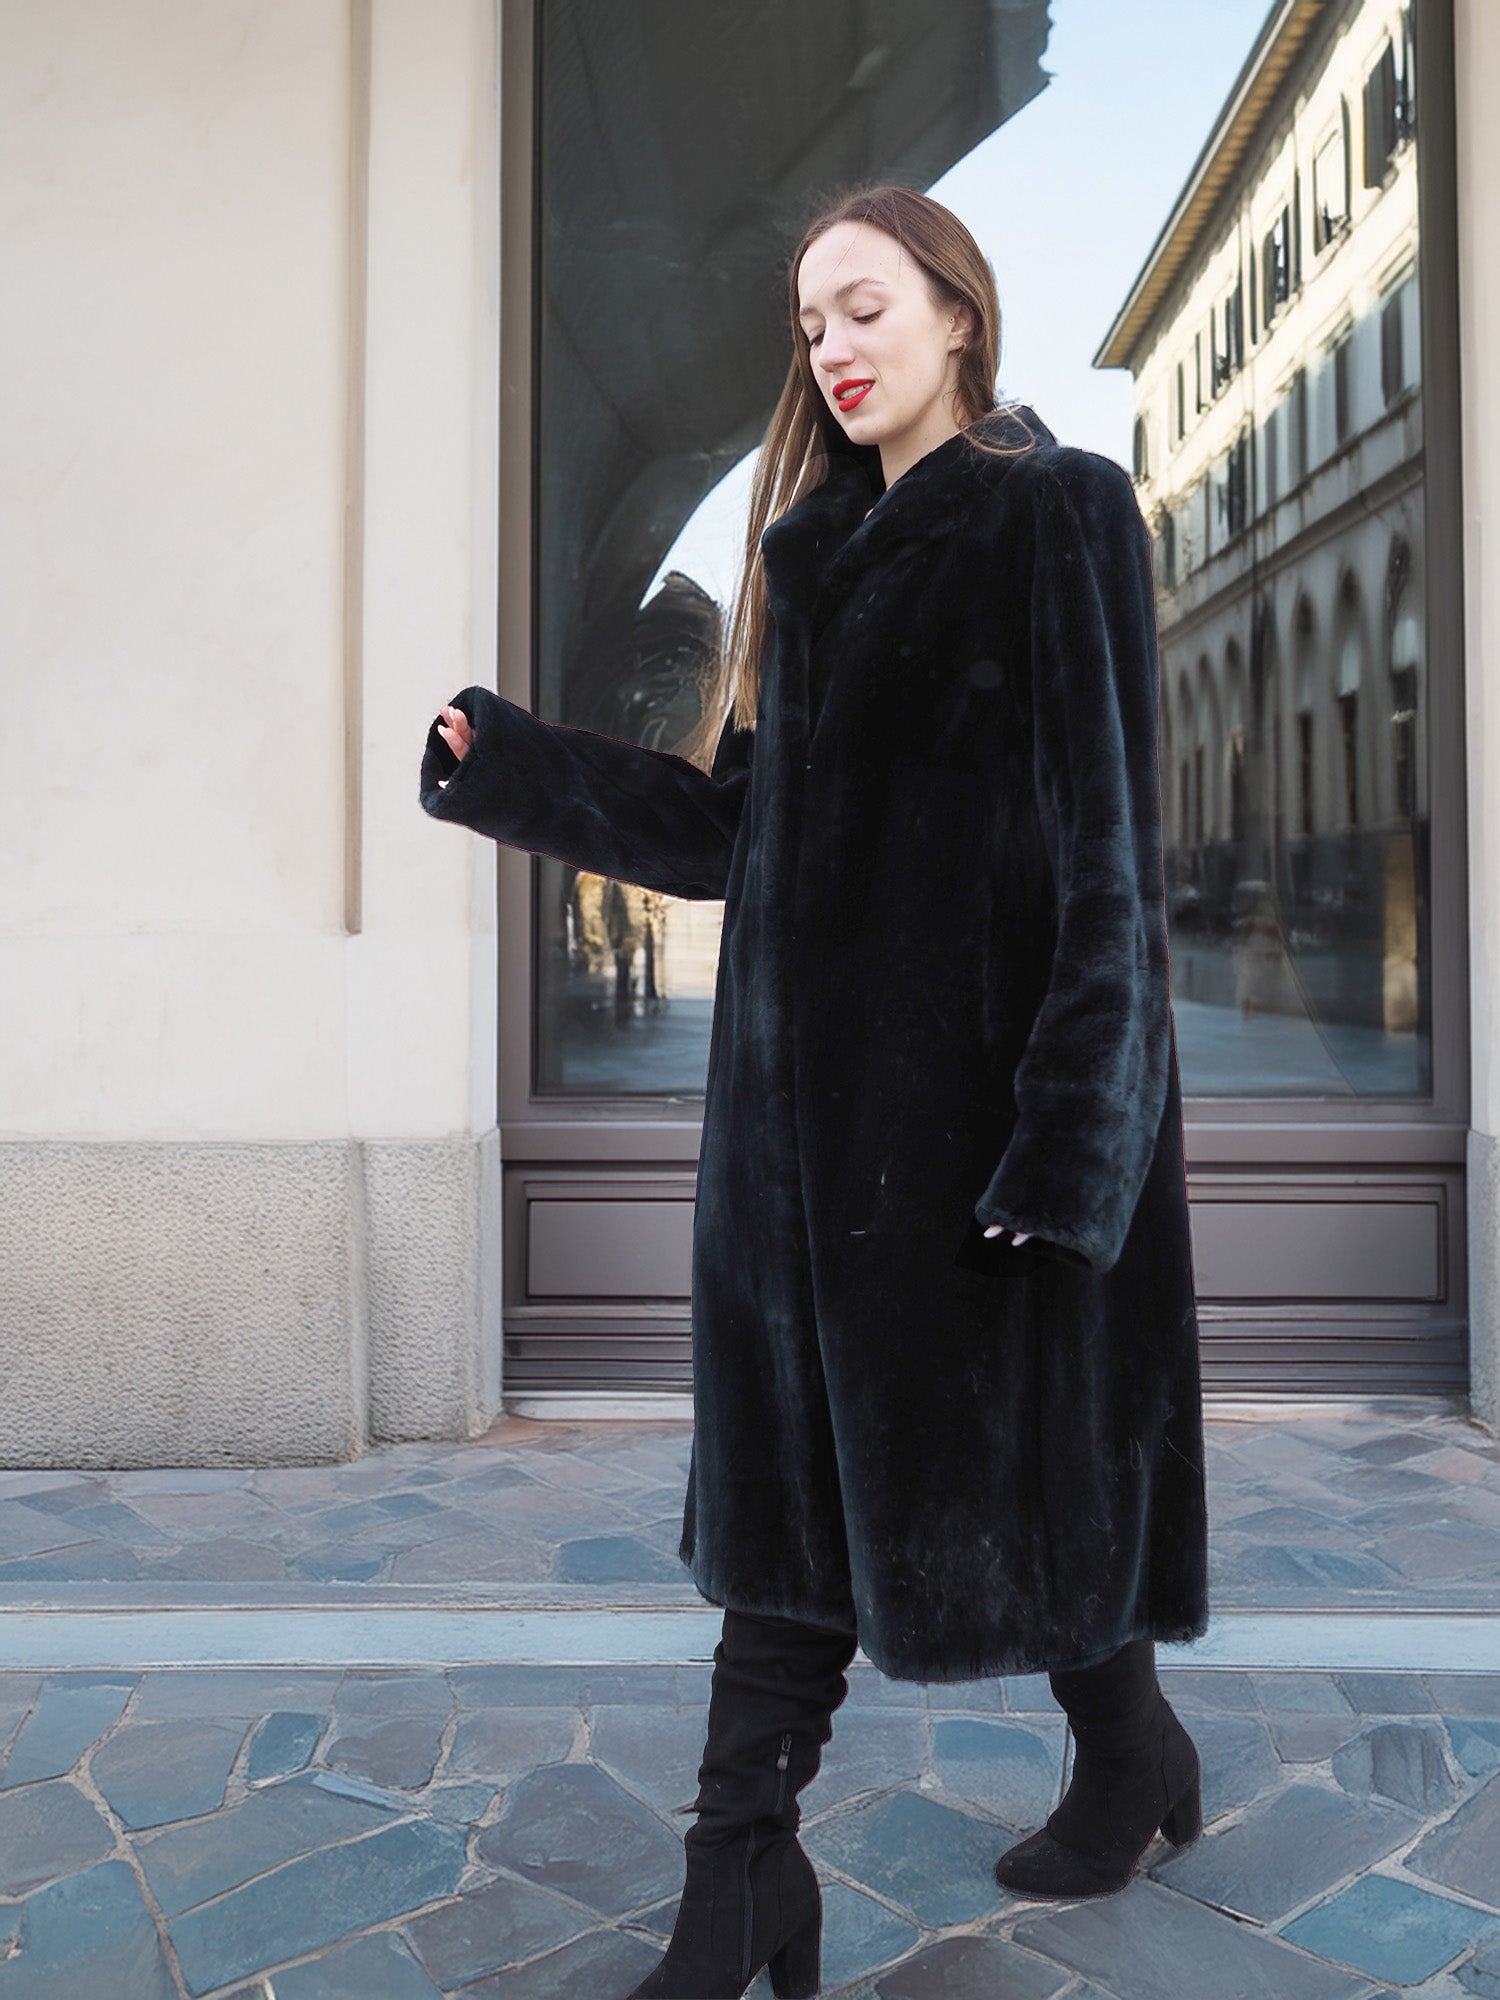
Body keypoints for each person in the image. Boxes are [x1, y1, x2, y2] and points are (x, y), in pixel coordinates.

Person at [420, 184, 1210, 2000]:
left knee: (1014, 1491)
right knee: (804, 1517)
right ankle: (747, 1873)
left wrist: (1069, 1153)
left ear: (957, 312)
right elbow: (735, 832)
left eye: (865, 308)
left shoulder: (1060, 513)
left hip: (975, 1144)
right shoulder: (813, 556)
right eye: (808, 326)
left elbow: (1111, 862)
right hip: (787, 1157)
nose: (833, 350)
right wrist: (517, 770)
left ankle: (1124, 1753)